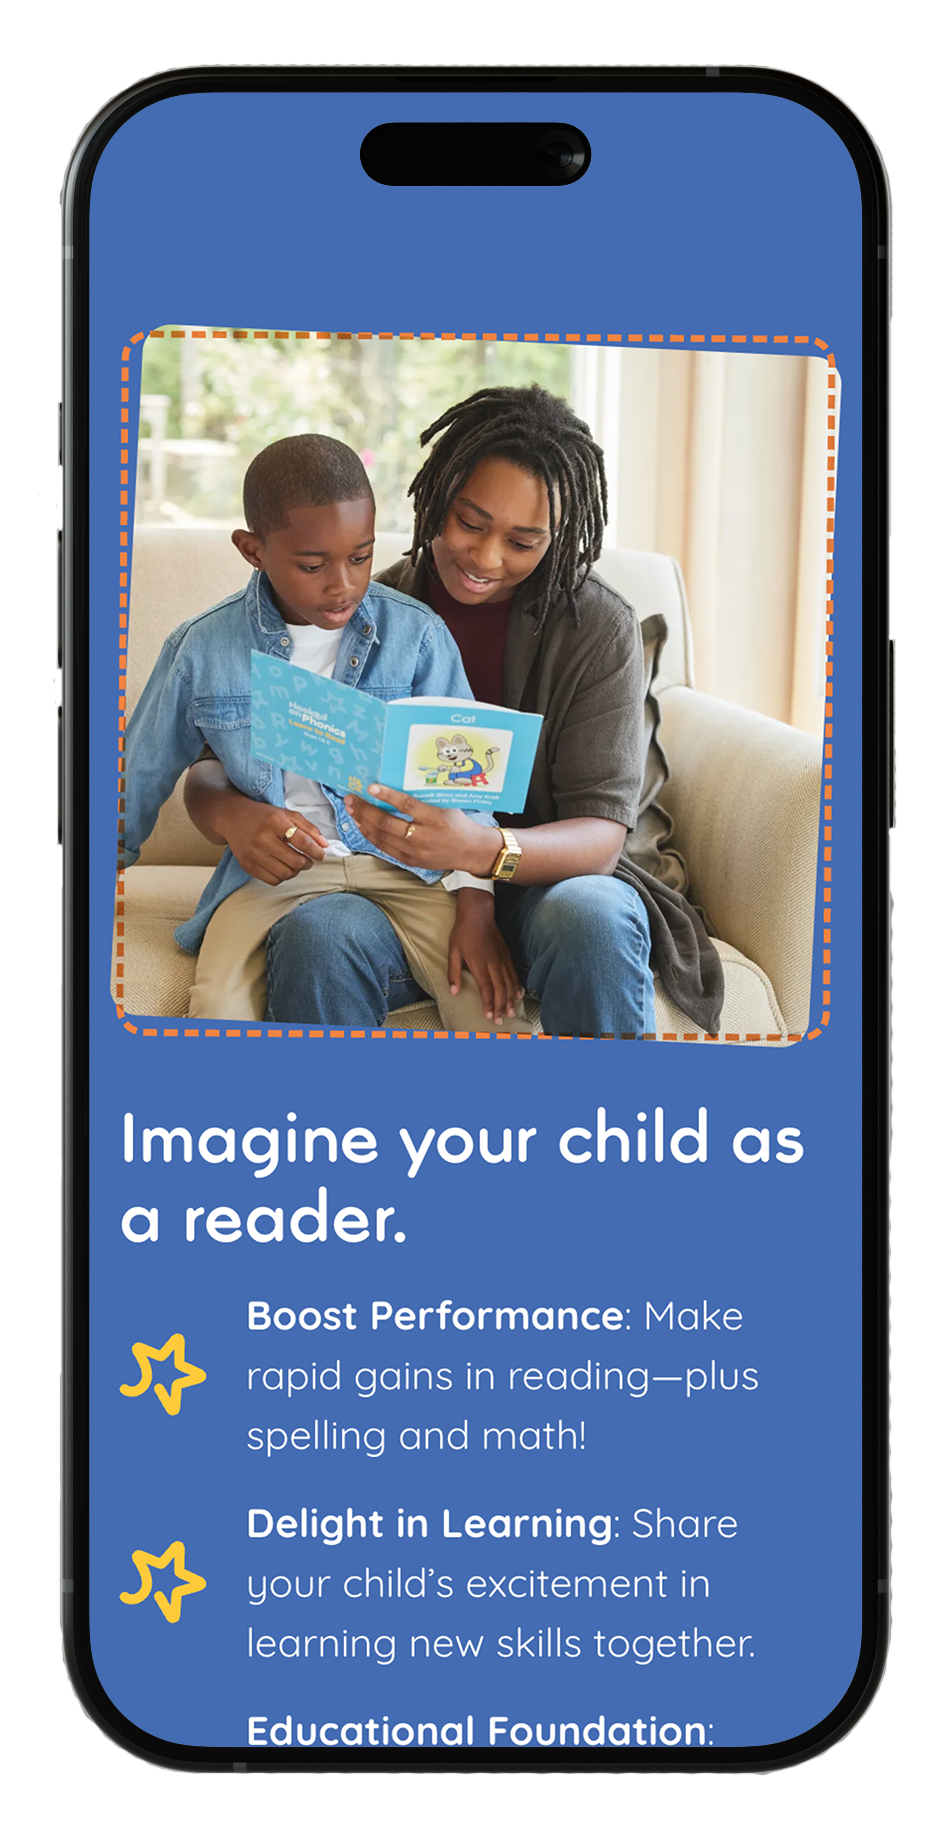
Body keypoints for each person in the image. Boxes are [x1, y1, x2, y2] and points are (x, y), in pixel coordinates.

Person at [186, 389, 724, 1037]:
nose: (487, 558)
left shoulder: (596, 627)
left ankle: (603, 1131)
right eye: (471, 523)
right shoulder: (359, 607)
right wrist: (234, 812)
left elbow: (602, 835)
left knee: (591, 917)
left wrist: (482, 851)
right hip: (398, 888)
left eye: (523, 541)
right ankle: (333, 1133)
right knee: (319, 932)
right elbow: (223, 761)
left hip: (553, 885)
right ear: (438, 489)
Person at [121, 433, 530, 1030]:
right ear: (252, 549)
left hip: (407, 872)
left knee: (494, 1017)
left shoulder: (416, 635)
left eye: (360, 557)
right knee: (214, 1016)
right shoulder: (200, 650)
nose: (343, 584)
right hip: (272, 876)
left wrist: (476, 903)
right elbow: (134, 782)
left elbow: (470, 792)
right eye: (313, 566)